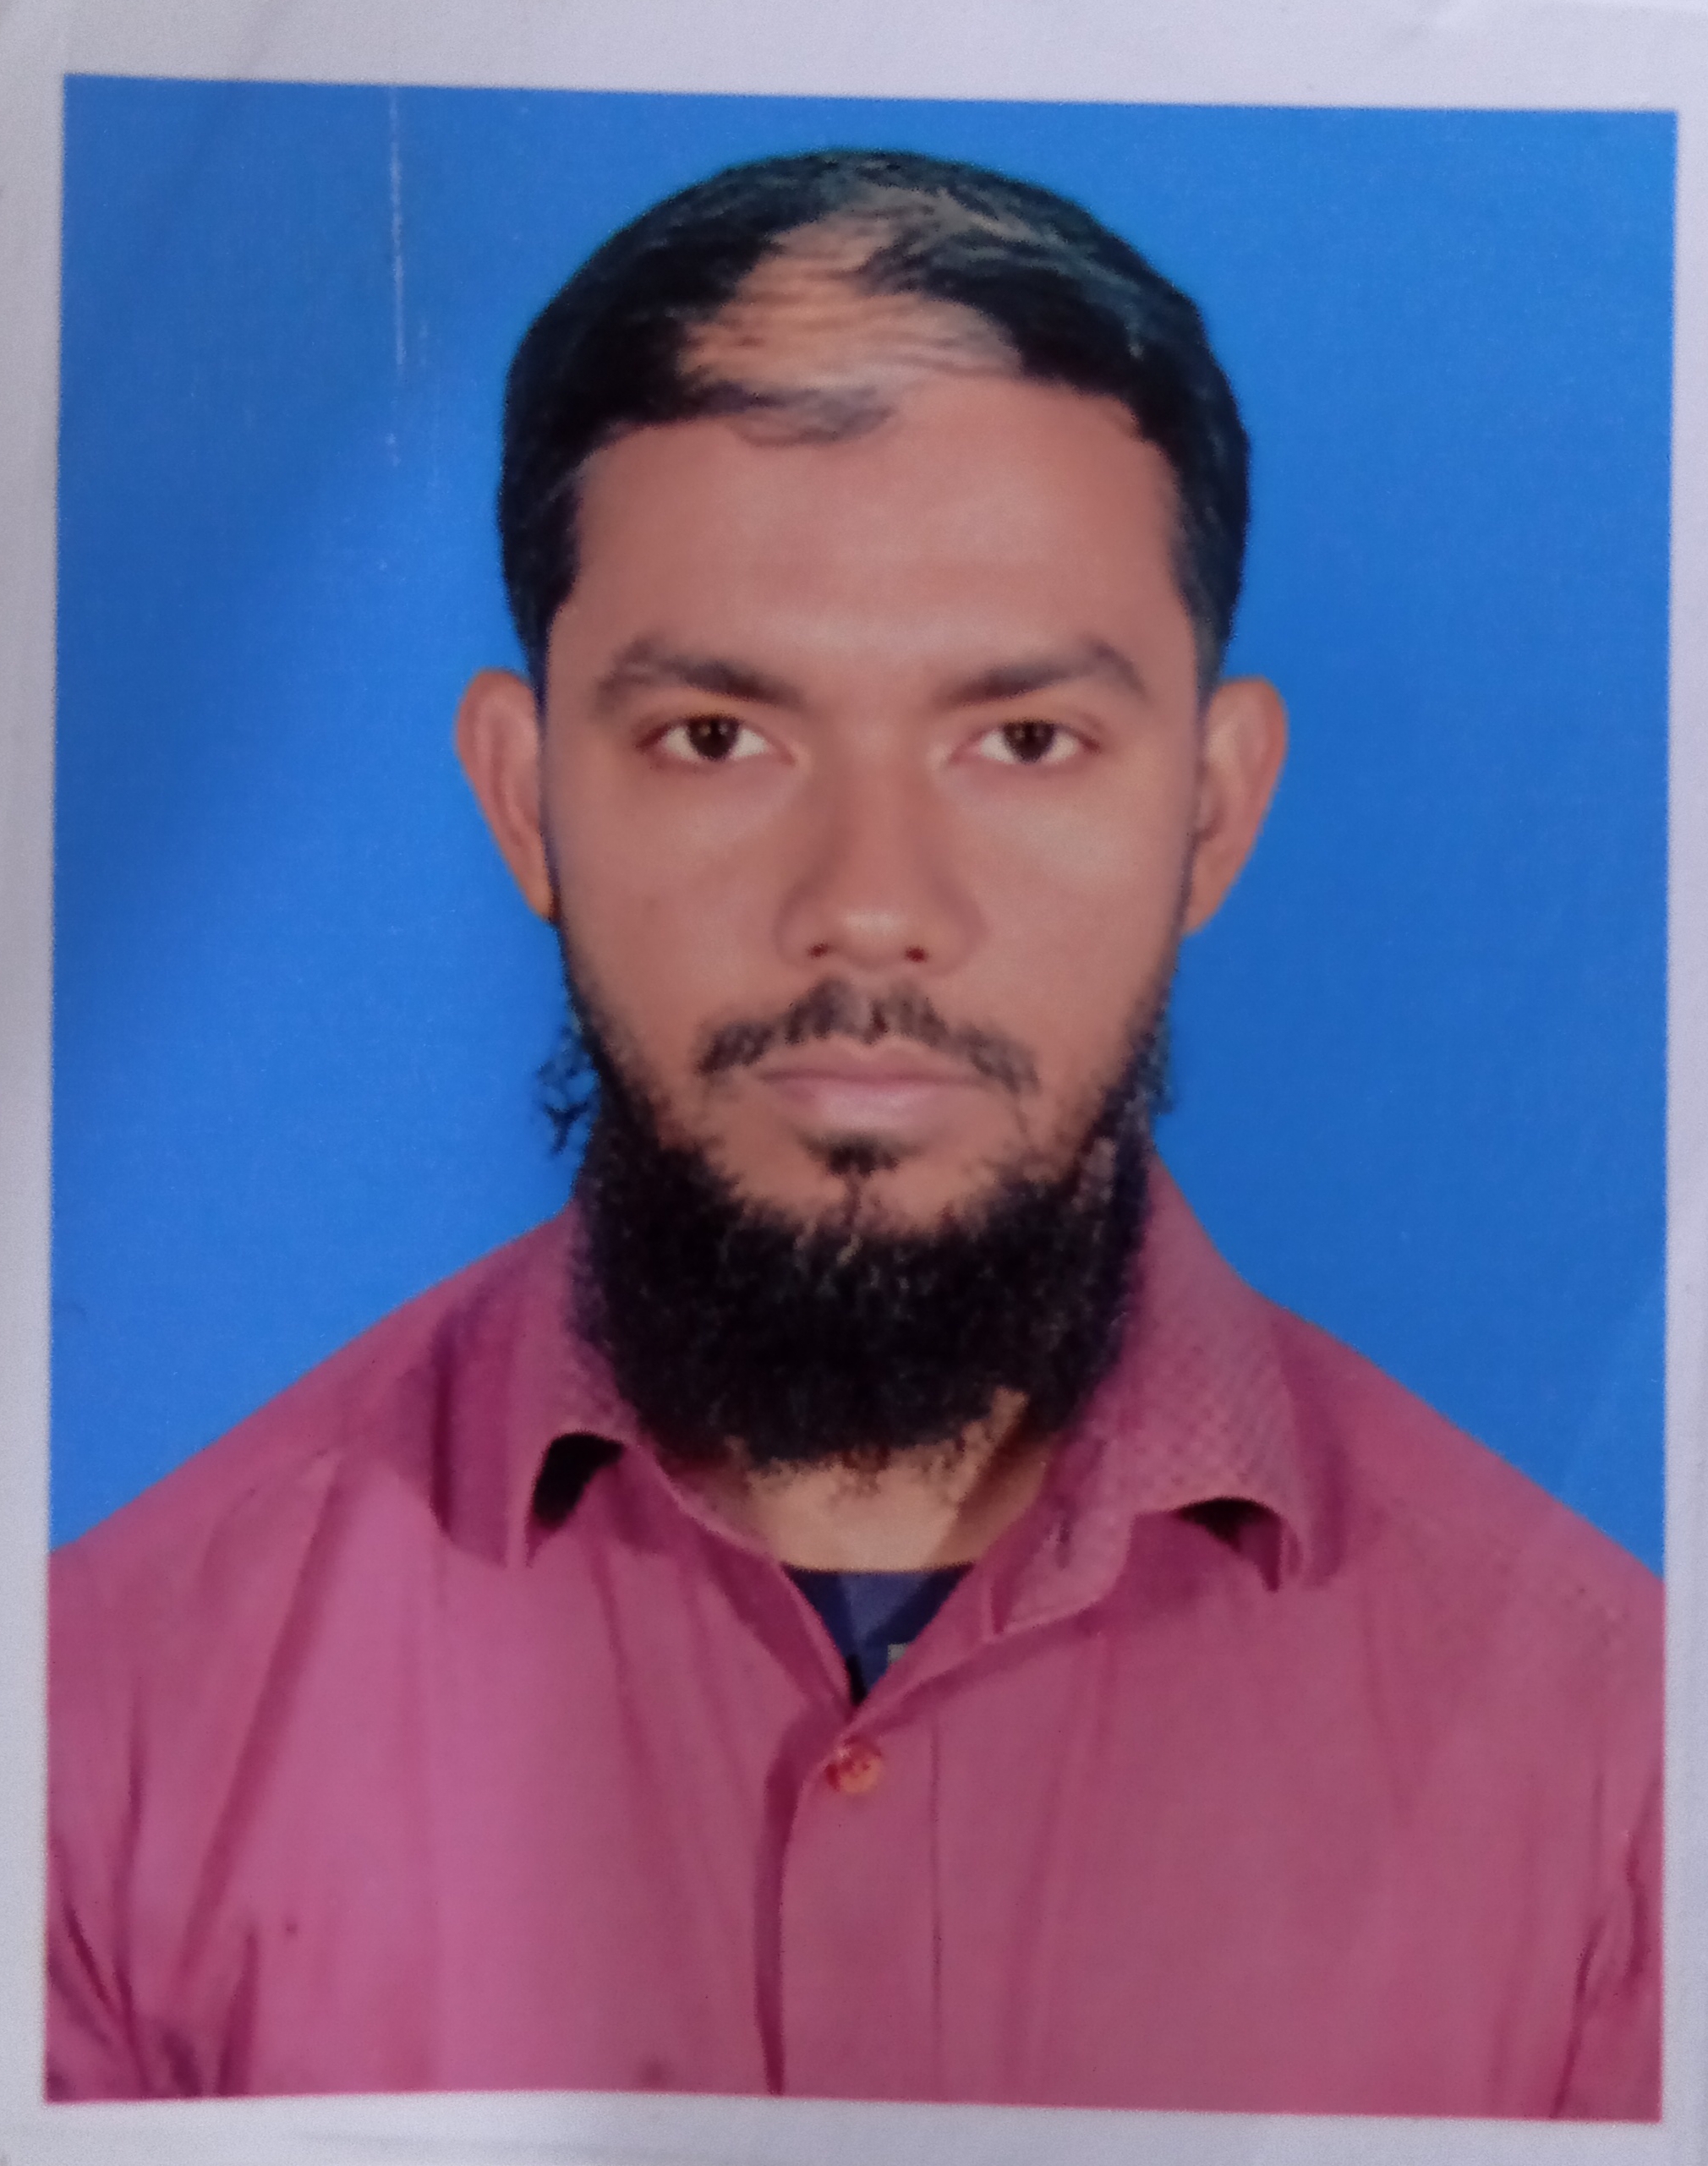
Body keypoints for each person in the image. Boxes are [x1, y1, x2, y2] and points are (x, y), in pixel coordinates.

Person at [47, 147, 1660, 2118]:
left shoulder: (1625, 1777)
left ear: (1212, 813)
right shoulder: (91, 1735)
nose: (870, 905)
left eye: (1022, 741)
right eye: (718, 738)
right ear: (528, 799)